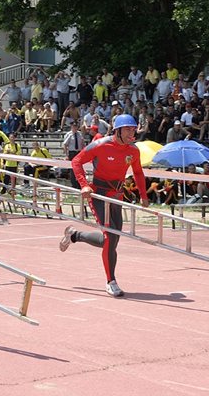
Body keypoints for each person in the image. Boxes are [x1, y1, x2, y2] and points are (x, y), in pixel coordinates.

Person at [59, 114, 148, 297]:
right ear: (118, 130)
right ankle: (111, 281)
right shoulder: (100, 145)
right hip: (98, 194)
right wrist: (84, 184)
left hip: (117, 195)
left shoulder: (133, 151)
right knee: (109, 237)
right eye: (129, 129)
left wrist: (143, 196)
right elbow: (76, 161)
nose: (133, 132)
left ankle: (75, 235)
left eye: (134, 128)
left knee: (113, 240)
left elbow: (138, 173)